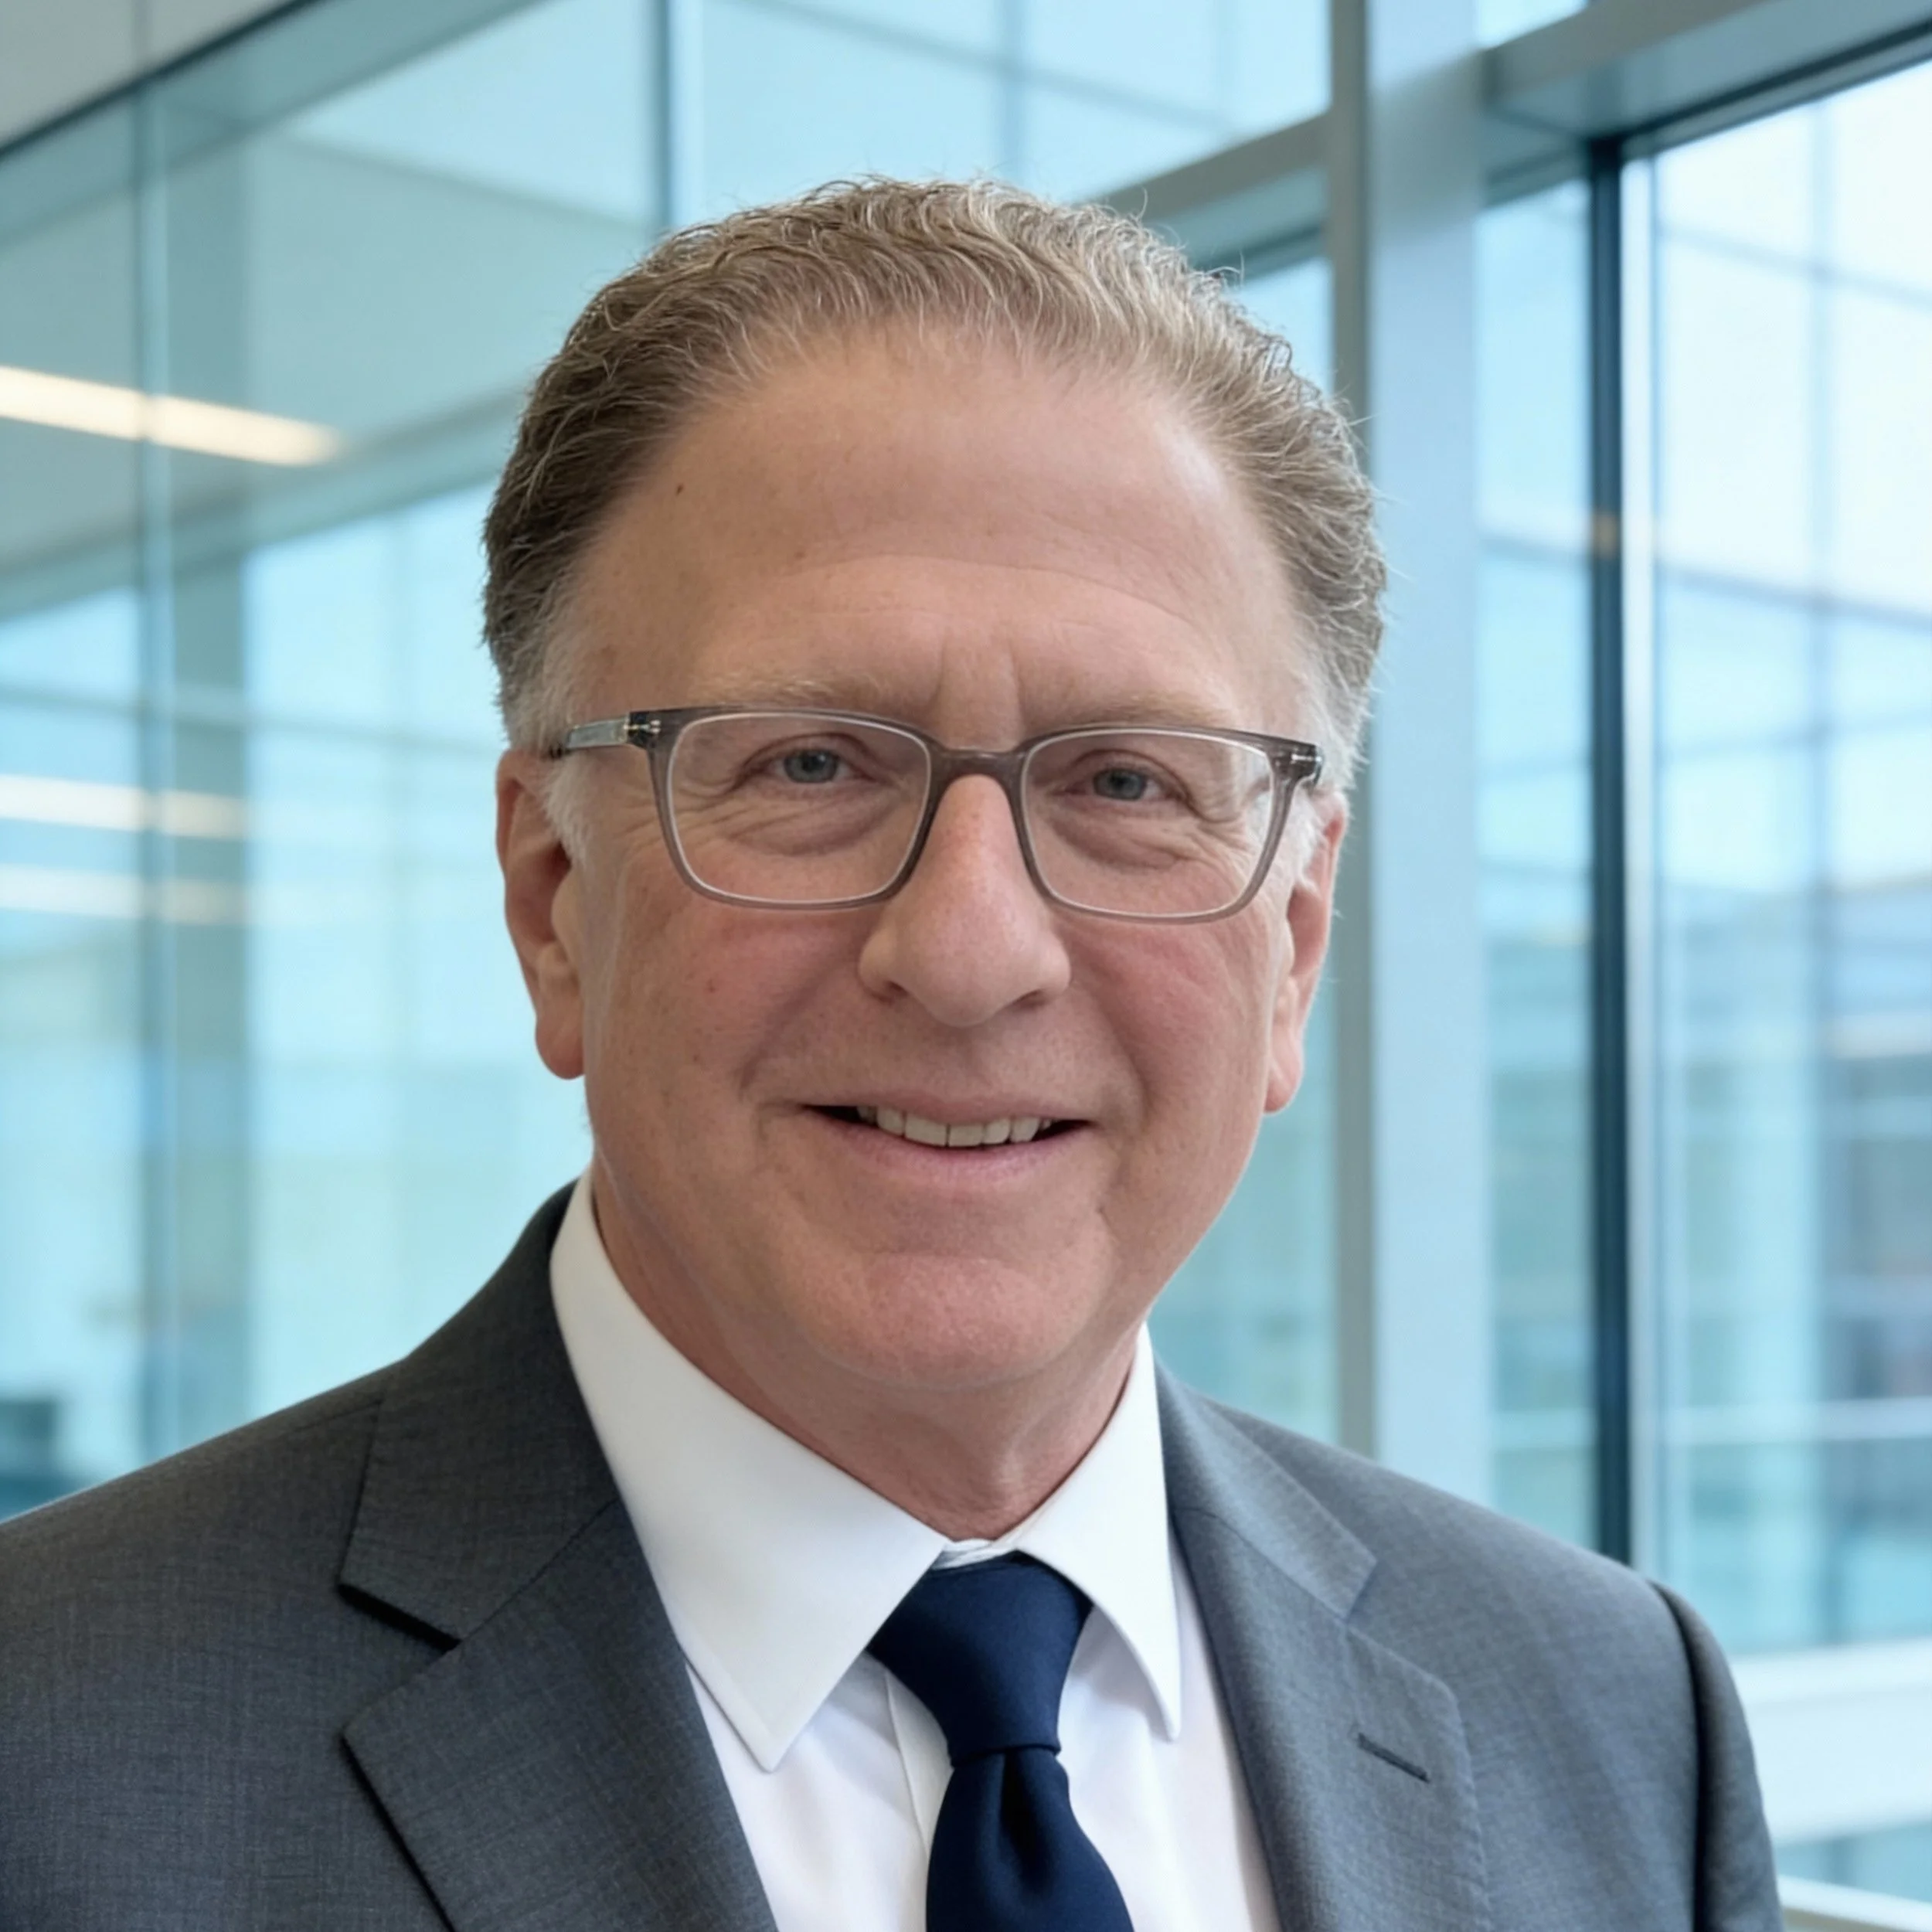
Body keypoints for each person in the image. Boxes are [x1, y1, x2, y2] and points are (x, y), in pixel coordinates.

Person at [0, 179, 1778, 1931]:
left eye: (1126, 783)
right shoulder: (55, 1751)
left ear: (1291, 947)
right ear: (553, 901)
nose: (968, 950)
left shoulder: (1614, 1710)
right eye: (809, 765)